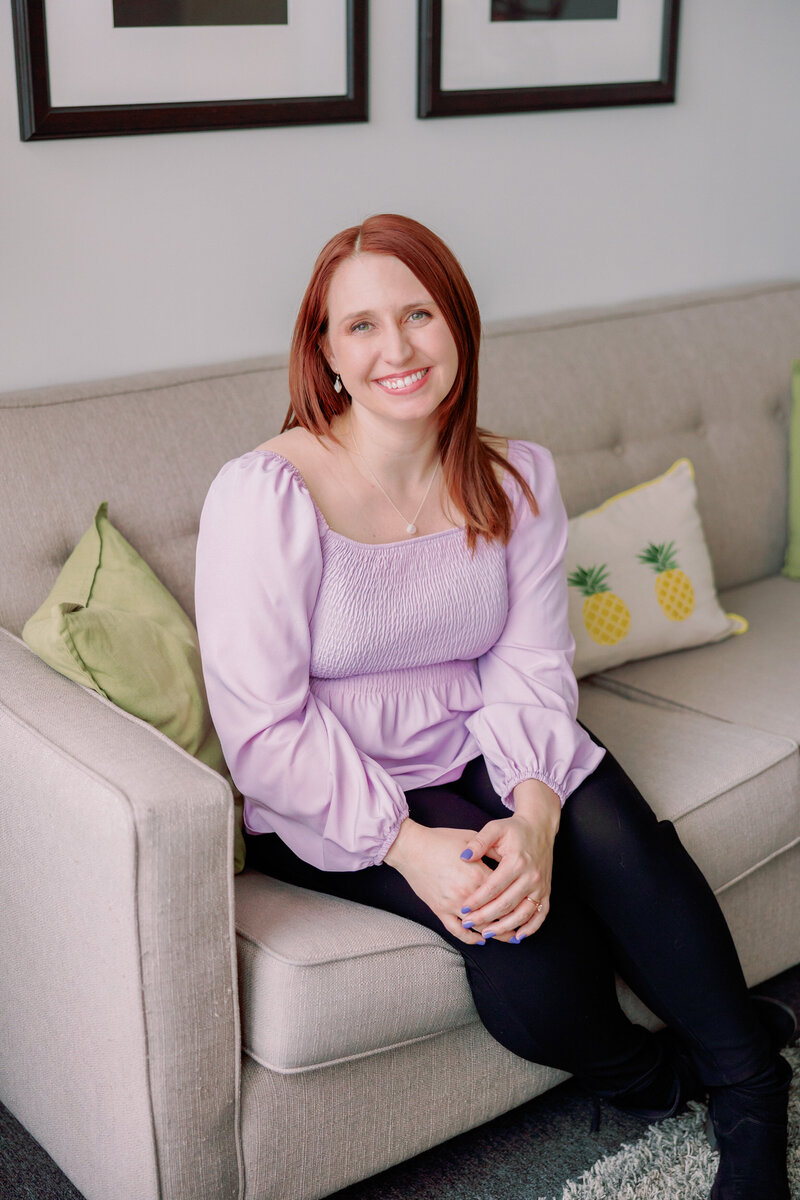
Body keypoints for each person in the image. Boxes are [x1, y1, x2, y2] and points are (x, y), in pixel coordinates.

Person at [194, 213, 793, 1199]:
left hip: (489, 732)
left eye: (420, 313)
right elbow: (262, 727)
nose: (397, 348)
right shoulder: (263, 496)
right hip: (341, 781)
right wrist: (407, 842)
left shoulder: (515, 475)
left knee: (618, 843)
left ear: (458, 325)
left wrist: (536, 810)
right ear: (324, 354)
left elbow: (528, 662)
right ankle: (653, 1078)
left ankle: (747, 1090)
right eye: (362, 326)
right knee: (532, 970)